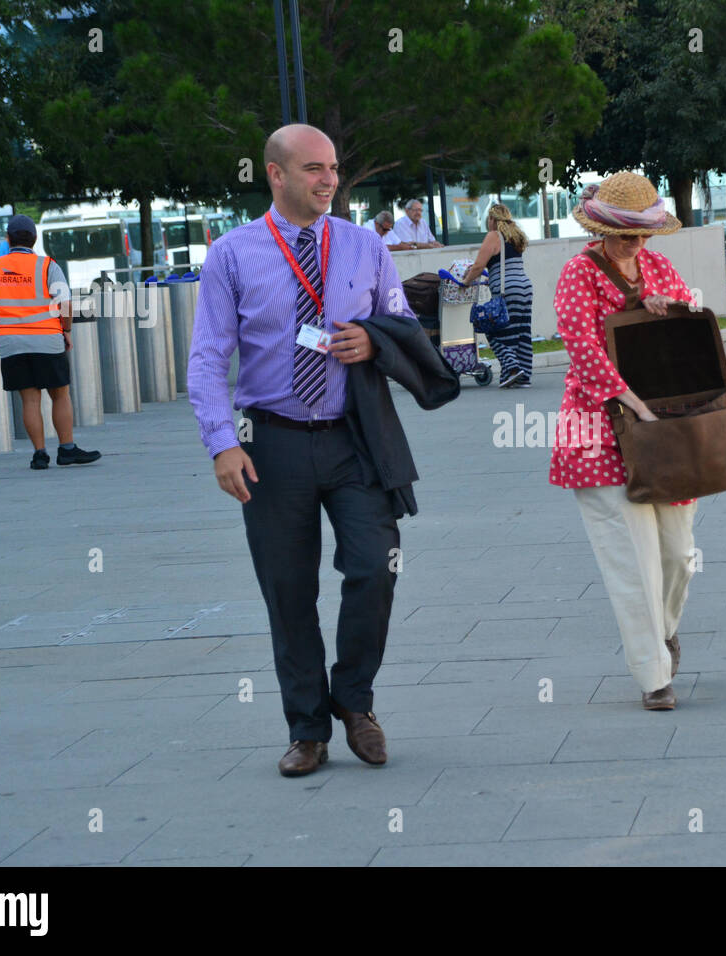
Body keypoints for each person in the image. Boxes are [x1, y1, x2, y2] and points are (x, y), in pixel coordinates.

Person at [187, 124, 459, 779]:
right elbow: (206, 358)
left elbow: (400, 326)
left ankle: (355, 702)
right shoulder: (232, 254)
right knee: (289, 591)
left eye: (333, 167)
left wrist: (372, 339)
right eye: (313, 168)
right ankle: (306, 729)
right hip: (270, 444)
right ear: (275, 174)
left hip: (355, 439)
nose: (328, 180)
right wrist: (222, 444)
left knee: (374, 566)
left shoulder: (366, 247)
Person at [550, 171, 696, 711]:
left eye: (642, 235)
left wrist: (666, 307)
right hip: (598, 426)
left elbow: (691, 324)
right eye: (625, 236)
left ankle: (664, 631)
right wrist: (627, 398)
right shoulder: (577, 274)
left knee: (679, 554)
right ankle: (653, 675)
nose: (636, 245)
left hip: (666, 421)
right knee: (631, 560)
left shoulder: (659, 265)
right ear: (601, 230)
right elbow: (581, 347)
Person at [0, 214, 101, 469]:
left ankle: (39, 454)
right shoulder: (47, 265)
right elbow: (64, 303)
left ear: (7, 239)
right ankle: (67, 449)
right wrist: (67, 330)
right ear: (35, 238)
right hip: (46, 339)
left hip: (11, 342)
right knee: (60, 394)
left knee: (29, 399)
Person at [461, 203, 533, 387]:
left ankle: (513, 369)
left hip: (507, 290)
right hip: (524, 288)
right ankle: (523, 377)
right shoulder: (515, 236)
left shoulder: (494, 236)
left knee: (493, 329)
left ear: (492, 219)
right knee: (520, 332)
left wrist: (466, 282)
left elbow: (478, 266)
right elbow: (503, 264)